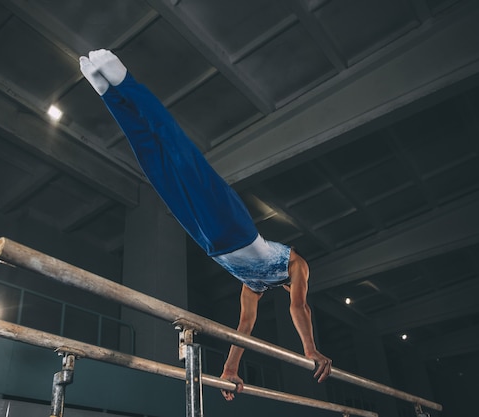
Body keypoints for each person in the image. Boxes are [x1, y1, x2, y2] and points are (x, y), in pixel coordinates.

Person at [79, 49, 332, 400]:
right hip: (235, 225)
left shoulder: (255, 286)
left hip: (206, 238)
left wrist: (230, 368)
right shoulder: (296, 264)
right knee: (179, 151)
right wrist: (310, 349)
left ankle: (107, 93)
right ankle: (124, 81)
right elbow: (299, 307)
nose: (296, 289)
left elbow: (244, 328)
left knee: (155, 165)